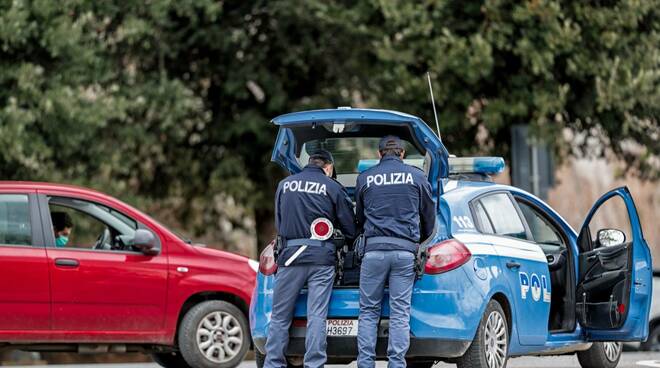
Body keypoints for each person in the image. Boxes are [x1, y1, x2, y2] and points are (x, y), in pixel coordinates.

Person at [264, 149, 357, 368]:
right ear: (329, 167)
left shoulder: (284, 185)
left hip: (289, 258)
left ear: (309, 163)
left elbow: (279, 222)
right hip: (321, 260)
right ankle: (314, 364)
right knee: (317, 315)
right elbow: (350, 227)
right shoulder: (333, 187)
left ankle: (273, 363)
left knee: (279, 316)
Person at [355, 136, 436, 368]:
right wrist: (422, 240)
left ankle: (365, 364)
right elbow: (429, 215)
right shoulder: (417, 176)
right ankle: (396, 364)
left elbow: (359, 218)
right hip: (404, 253)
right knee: (400, 312)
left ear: (379, 154)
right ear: (402, 154)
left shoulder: (365, 178)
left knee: (369, 311)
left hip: (373, 253)